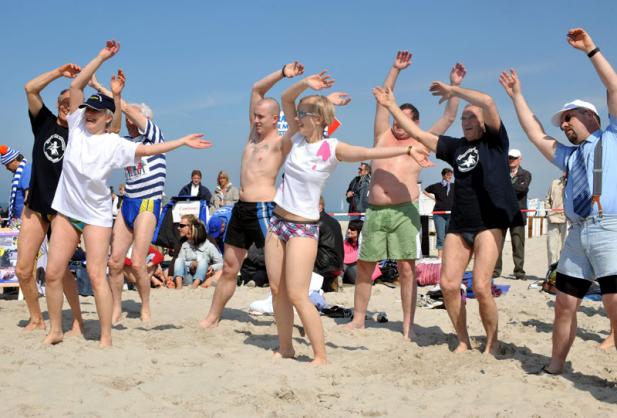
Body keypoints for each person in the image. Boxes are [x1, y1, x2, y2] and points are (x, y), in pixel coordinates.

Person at [43, 40, 211, 347]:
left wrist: (182, 141)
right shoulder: (77, 125)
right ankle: (55, 329)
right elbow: (77, 84)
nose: (90, 114)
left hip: (103, 214)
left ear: (109, 117)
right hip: (71, 211)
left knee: (102, 273)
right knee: (57, 272)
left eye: (97, 111)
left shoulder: (118, 144)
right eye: (88, 109)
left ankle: (108, 334)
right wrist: (101, 58)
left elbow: (149, 147)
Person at [266, 70, 429, 364]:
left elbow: (366, 151)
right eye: (299, 113)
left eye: (303, 113)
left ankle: (320, 355)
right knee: (277, 290)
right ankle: (286, 346)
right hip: (277, 222)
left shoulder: (331, 147)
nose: (297, 117)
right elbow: (285, 98)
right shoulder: (296, 137)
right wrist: (306, 84)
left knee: (297, 294)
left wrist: (406, 147)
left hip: (303, 228)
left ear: (317, 118)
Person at [373, 68, 524, 355]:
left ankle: (492, 341)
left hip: (490, 222)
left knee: (481, 286)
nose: (467, 121)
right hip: (460, 222)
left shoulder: (494, 142)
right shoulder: (454, 147)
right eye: (464, 117)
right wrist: (392, 106)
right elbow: (418, 133)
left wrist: (454, 90)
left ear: (483, 122)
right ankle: (463, 340)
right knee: (448, 284)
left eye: (472, 117)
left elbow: (489, 102)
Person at [498, 27, 617, 372]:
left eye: (569, 117)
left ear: (591, 116)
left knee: (613, 302)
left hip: (609, 226)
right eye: (562, 121)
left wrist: (591, 49)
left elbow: (613, 87)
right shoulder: (568, 156)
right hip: (577, 231)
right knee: (564, 303)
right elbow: (536, 134)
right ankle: (554, 366)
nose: (564, 124)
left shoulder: (611, 136)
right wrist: (517, 95)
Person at [345, 51, 466, 339]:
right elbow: (384, 98)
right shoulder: (382, 137)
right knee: (365, 265)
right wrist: (395, 69)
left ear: (414, 122)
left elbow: (449, 117)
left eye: (404, 121)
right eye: (396, 120)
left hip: (405, 211)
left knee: (407, 269)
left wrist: (454, 86)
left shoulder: (421, 142)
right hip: (375, 211)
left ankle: (408, 327)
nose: (398, 125)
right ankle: (359, 318)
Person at [199, 61, 307, 328]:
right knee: (228, 268)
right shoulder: (252, 137)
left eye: (261, 117)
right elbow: (257, 88)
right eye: (255, 116)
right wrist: (283, 73)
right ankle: (212, 317)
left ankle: (294, 323)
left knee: (277, 277)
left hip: (264, 208)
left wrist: (302, 84)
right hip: (240, 208)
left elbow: (295, 120)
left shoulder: (280, 143)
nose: (256, 120)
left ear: (274, 119)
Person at [89, 73, 168, 323]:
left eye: (134, 116)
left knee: (137, 263)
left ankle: (145, 306)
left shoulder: (153, 136)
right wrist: (96, 88)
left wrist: (105, 88)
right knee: (114, 262)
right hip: (128, 204)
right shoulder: (124, 143)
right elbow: (115, 113)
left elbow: (122, 106)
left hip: (148, 202)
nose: (129, 120)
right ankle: (116, 308)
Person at [15, 64, 85, 333]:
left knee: (60, 270)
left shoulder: (81, 134)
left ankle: (77, 319)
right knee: (23, 270)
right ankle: (36, 317)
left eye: (72, 101)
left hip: (64, 211)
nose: (67, 105)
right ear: (57, 104)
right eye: (63, 101)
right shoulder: (43, 122)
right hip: (35, 208)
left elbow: (111, 129)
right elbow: (30, 88)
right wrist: (59, 72)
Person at [493, 148, 532, 280]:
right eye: (509, 157)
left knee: (518, 245)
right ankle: (495, 271)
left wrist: (505, 187)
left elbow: (522, 189)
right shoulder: (501, 174)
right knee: (497, 245)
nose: (511, 160)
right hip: (501, 214)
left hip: (517, 215)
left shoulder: (526, 174)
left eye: (514, 158)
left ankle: (519, 272)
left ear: (520, 159)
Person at [173, 215, 223, 289]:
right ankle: (179, 285)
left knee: (203, 262)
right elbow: (180, 262)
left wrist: (212, 267)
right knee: (178, 260)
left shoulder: (209, 246)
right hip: (188, 276)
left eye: (189, 233)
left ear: (197, 233)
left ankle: (195, 286)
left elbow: (221, 263)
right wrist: (191, 264)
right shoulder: (185, 244)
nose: (187, 235)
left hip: (203, 276)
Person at [314, 197, 344, 292]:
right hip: (338, 263)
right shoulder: (335, 221)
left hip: (324, 265)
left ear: (320, 207)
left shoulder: (317, 223)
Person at [424, 168, 455, 258]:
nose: (449, 176)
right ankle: (440, 258)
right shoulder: (436, 186)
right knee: (440, 236)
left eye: (451, 175)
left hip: (451, 214)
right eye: (448, 174)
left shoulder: (454, 186)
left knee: (450, 236)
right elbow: (425, 190)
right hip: (438, 214)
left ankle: (449, 256)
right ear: (443, 175)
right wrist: (433, 198)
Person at [1, 146, 31, 221]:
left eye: (7, 164)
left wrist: (21, 221)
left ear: (14, 160)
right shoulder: (20, 173)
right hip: (18, 219)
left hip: (25, 220)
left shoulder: (27, 170)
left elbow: (29, 197)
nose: (7, 168)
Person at [545, 173, 567, 267]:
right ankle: (551, 272)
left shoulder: (575, 184)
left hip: (568, 220)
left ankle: (564, 273)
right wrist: (549, 213)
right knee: (551, 248)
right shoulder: (555, 183)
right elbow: (547, 199)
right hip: (553, 218)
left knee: (566, 249)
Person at [343, 219, 363, 284]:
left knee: (344, 265)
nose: (348, 231)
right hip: (349, 274)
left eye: (352, 229)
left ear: (359, 230)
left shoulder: (364, 245)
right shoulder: (345, 243)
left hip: (361, 276)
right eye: (349, 228)